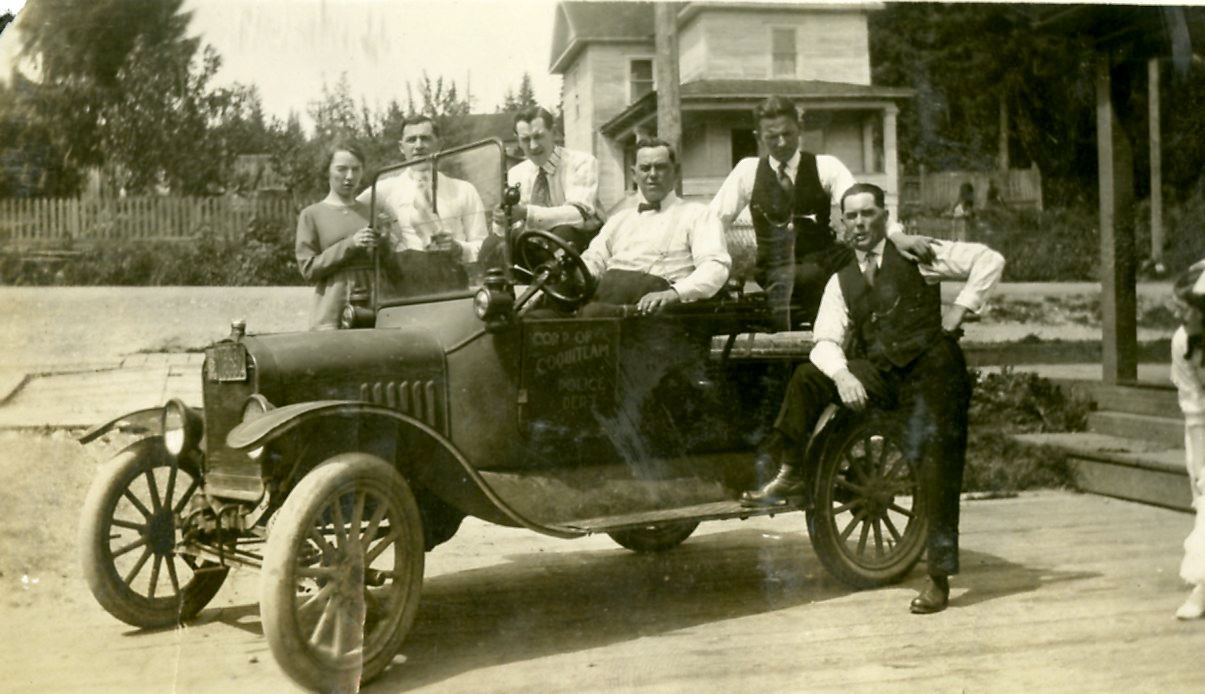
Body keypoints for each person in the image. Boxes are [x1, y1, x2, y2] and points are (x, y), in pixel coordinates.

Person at [741, 182, 1005, 615]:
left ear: (885, 217)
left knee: (937, 463)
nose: (860, 223)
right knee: (810, 377)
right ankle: (790, 469)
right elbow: (825, 339)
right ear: (843, 223)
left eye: (868, 214)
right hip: (883, 372)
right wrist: (843, 374)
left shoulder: (918, 252)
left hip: (931, 370)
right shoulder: (841, 279)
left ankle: (938, 578)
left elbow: (989, 260)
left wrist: (962, 308)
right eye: (852, 216)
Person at [709, 96, 933, 328]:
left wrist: (897, 236)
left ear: (800, 129)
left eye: (788, 133)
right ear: (758, 137)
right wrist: (710, 264)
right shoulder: (747, 171)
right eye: (772, 137)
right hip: (776, 271)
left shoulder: (826, 166)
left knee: (884, 265)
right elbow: (712, 221)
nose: (782, 142)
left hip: (824, 264)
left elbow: (861, 205)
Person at [577, 137, 730, 316]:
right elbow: (594, 260)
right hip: (610, 296)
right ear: (634, 174)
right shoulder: (619, 220)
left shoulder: (697, 214)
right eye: (645, 168)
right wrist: (574, 274)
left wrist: (675, 293)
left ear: (676, 172)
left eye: (660, 167)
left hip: (655, 309)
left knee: (591, 315)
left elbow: (715, 267)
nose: (652, 174)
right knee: (542, 315)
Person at [358, 115, 489, 264]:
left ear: (439, 144)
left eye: (425, 138)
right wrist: (381, 234)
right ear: (401, 147)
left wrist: (458, 248)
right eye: (411, 139)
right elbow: (346, 209)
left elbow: (483, 246)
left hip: (453, 277)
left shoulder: (464, 190)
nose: (418, 146)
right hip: (406, 278)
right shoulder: (384, 189)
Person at [492, 106, 603, 254]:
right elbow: (502, 230)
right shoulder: (515, 174)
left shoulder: (581, 162)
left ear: (554, 132)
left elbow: (578, 215)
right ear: (517, 140)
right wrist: (501, 219)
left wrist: (526, 213)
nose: (533, 146)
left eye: (538, 136)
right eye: (525, 139)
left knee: (563, 233)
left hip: (578, 244)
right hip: (532, 246)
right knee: (492, 245)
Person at [295, 143, 377, 330]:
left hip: (374, 304)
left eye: (356, 169)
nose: (350, 176)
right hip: (332, 308)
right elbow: (308, 269)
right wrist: (351, 244)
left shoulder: (372, 211)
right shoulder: (312, 214)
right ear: (327, 171)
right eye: (342, 169)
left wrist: (385, 243)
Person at [1170, 261, 1205, 620]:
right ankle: (1202, 587)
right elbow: (1194, 409)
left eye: (1189, 309)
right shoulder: (1183, 344)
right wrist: (1198, 466)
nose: (1181, 315)